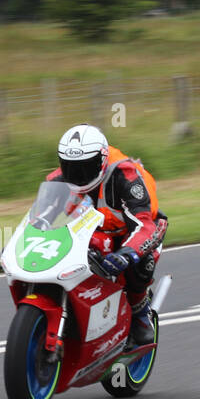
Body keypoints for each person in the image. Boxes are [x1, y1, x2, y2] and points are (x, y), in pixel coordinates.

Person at [49, 124, 167, 345]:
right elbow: (40, 220)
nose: (77, 175)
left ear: (102, 160)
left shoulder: (125, 176)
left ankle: (141, 315)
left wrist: (126, 254)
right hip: (96, 228)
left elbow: (145, 225)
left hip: (139, 226)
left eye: (86, 167)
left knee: (137, 261)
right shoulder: (58, 179)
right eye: (71, 167)